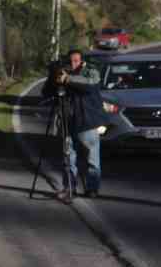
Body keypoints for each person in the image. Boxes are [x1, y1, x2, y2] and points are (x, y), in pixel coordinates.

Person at [40, 49, 111, 202]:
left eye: (76, 60)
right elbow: (46, 93)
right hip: (68, 122)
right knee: (68, 158)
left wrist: (68, 79)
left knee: (91, 159)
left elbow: (90, 85)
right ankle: (69, 188)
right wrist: (54, 77)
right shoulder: (63, 73)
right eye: (71, 61)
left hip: (87, 121)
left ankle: (92, 189)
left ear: (82, 61)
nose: (73, 63)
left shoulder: (90, 72)